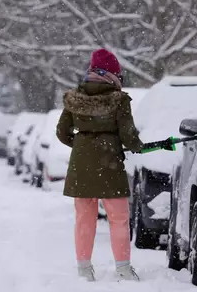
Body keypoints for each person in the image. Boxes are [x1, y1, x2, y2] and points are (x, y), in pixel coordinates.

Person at [56, 48, 143, 282]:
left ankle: (84, 270)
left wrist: (81, 145)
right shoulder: (119, 99)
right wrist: (136, 145)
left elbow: (62, 132)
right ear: (113, 74)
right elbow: (128, 135)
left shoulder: (75, 98)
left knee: (84, 218)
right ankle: (123, 269)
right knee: (119, 218)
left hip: (81, 164)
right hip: (110, 163)